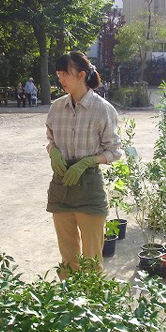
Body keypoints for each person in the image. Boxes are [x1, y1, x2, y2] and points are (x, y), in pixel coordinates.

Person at [46, 51, 122, 279]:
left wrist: (88, 161)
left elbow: (115, 150)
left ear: (81, 75)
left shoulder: (102, 109)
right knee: (68, 259)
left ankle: (91, 309)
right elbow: (50, 141)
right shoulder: (57, 107)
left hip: (88, 188)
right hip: (61, 187)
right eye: (58, 74)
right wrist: (54, 152)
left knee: (91, 260)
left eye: (65, 74)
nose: (61, 79)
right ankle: (69, 306)